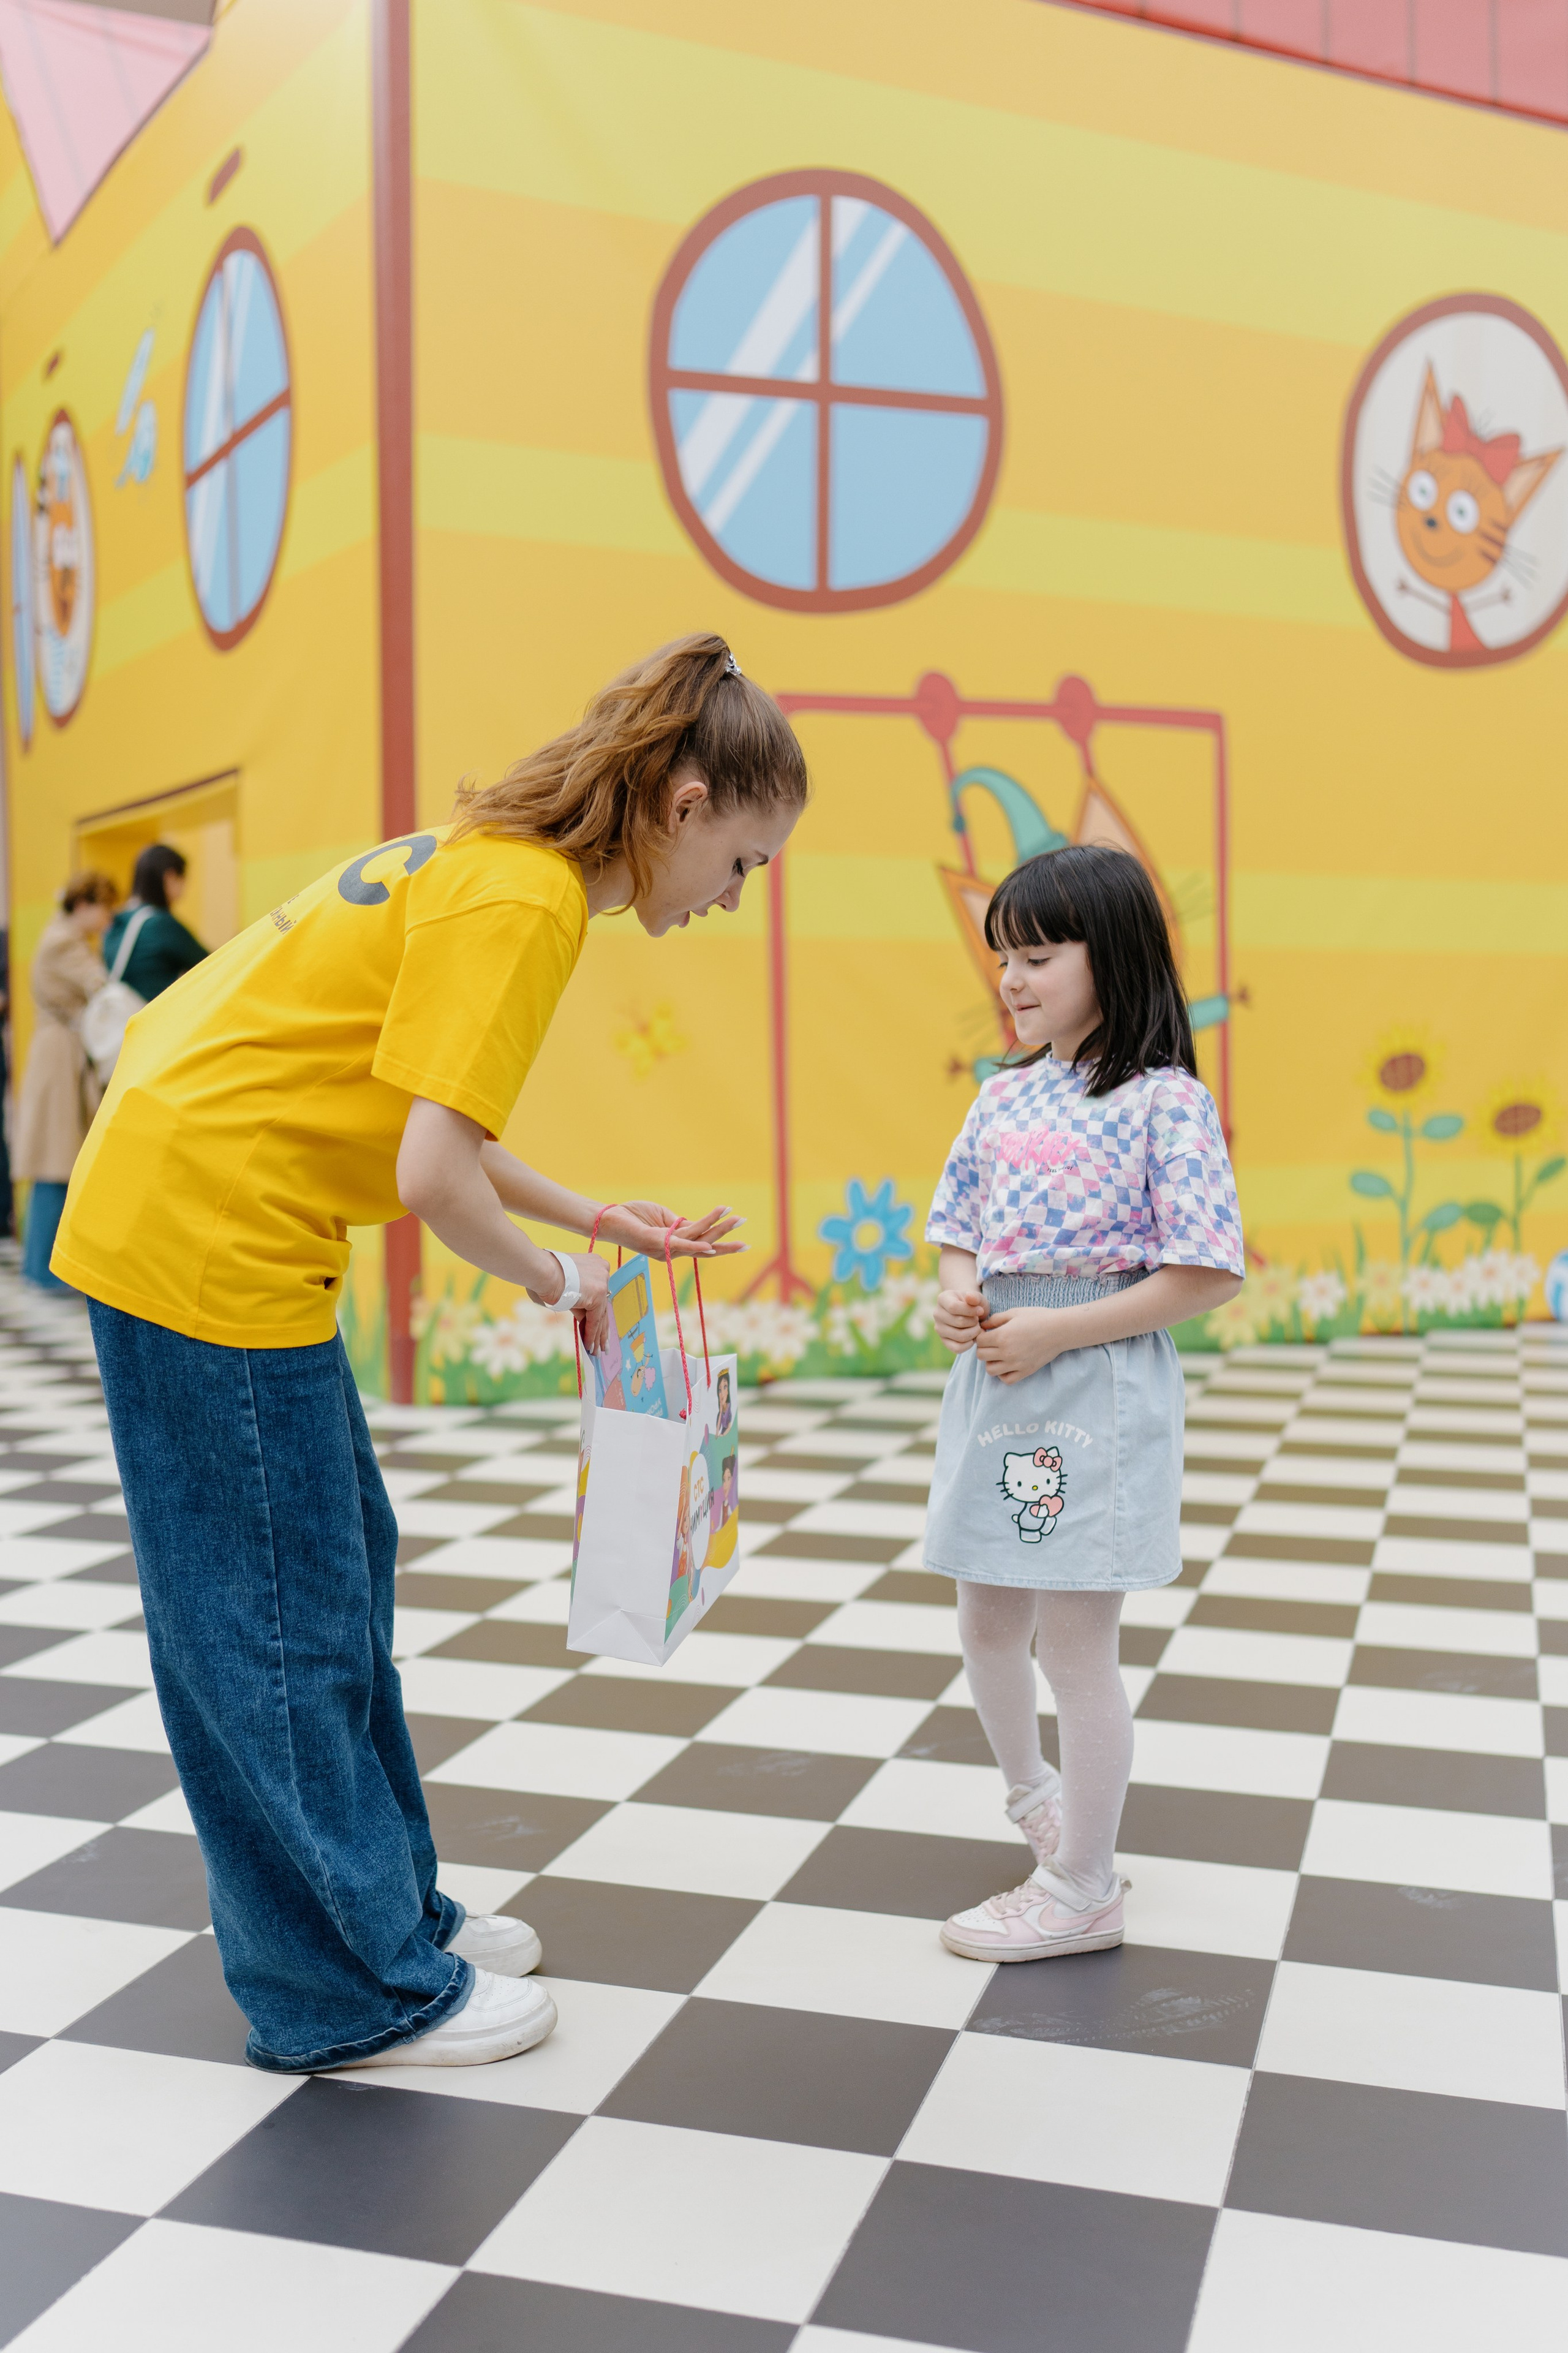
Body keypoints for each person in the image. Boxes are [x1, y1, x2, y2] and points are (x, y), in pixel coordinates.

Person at [53, 635, 807, 2074]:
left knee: (333, 1566)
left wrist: (591, 1215)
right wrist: (556, 1278)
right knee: (272, 1613)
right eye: (745, 862)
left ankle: (386, 1907)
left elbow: (432, 1117)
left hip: (202, 1198)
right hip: (204, 1225)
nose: (733, 897)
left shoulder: (488, 861)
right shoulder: (524, 900)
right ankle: (343, 1985)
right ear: (686, 801)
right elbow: (430, 1178)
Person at [924, 844, 1243, 1966]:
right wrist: (962, 1298)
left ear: (1115, 957)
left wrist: (1055, 1327)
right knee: (987, 1619)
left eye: (1039, 953)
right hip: (1002, 1393)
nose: (1012, 977)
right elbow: (959, 1227)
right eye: (1002, 954)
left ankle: (1084, 1885)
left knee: (1075, 1645)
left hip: (1092, 1397)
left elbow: (1206, 1271)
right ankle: (1038, 1805)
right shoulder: (1004, 1096)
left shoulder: (1168, 1103)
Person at [13, 871, 118, 1290]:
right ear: (85, 904)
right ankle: (45, 1268)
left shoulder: (60, 935)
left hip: (60, 1051)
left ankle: (41, 1265)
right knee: (57, 1162)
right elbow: (101, 987)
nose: (107, 918)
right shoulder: (64, 942)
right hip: (60, 1055)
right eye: (105, 907)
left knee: (57, 1161)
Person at [100, 842, 207, 1002]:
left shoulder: (116, 921)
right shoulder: (160, 924)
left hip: (124, 1019)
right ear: (170, 877)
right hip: (155, 1016)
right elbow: (210, 964)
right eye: (183, 879)